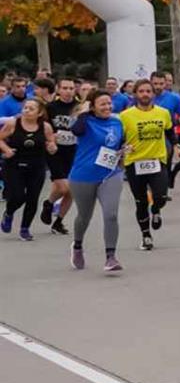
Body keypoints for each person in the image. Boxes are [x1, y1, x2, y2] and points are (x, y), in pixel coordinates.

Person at [67, 91, 126, 271]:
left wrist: (124, 149)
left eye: (109, 103)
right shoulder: (84, 122)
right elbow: (76, 131)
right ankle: (77, 245)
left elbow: (119, 143)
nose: (107, 107)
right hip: (84, 175)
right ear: (92, 107)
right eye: (102, 104)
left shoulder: (117, 122)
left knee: (111, 214)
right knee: (84, 216)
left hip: (110, 174)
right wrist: (84, 112)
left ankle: (111, 257)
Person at [119, 79, 174, 250]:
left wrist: (177, 146)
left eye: (148, 91)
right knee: (141, 201)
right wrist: (122, 148)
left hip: (157, 160)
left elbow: (170, 132)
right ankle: (146, 235)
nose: (145, 94)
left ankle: (156, 209)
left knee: (161, 197)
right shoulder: (125, 116)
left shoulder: (163, 113)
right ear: (135, 94)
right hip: (134, 162)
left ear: (153, 94)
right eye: (141, 91)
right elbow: (119, 139)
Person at [0, 98, 57, 241]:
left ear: (40, 113)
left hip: (36, 166)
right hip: (14, 165)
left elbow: (51, 143)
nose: (27, 111)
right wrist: (6, 150)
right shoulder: (13, 124)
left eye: (31, 109)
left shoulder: (45, 127)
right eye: (25, 108)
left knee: (33, 198)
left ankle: (25, 228)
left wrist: (52, 147)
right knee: (17, 196)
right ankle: (9, 213)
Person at [42, 76, 80, 235]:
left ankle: (58, 222)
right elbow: (42, 127)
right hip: (55, 151)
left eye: (71, 88)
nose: (68, 91)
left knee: (72, 191)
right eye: (65, 88)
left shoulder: (80, 107)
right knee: (64, 187)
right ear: (58, 89)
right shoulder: (51, 107)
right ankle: (49, 203)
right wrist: (50, 138)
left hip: (74, 151)